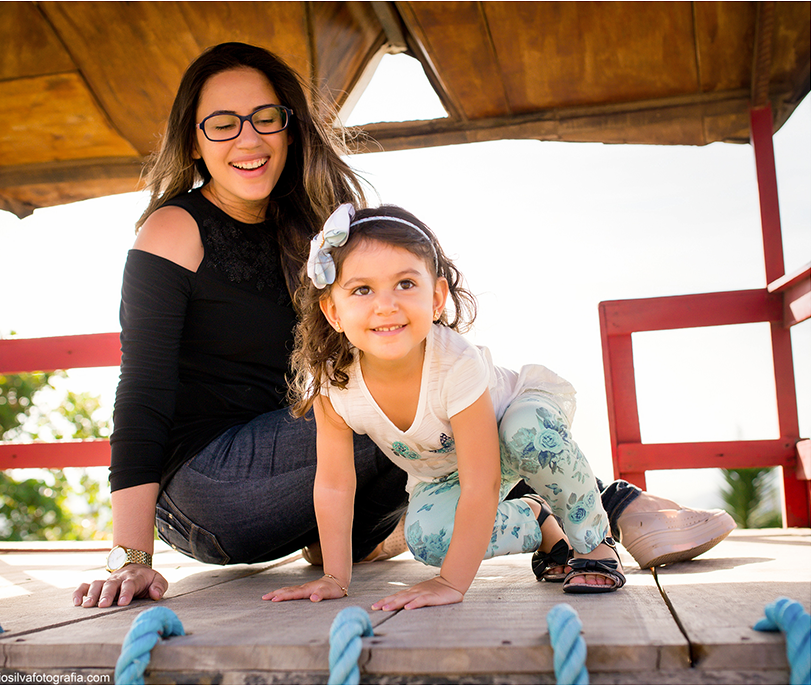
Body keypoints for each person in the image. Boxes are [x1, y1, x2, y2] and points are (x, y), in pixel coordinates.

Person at [73, 42, 734, 610]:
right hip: (210, 489)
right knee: (399, 399)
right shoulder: (174, 230)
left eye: (265, 118)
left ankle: (546, 523)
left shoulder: (322, 228)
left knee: (416, 379)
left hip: (311, 479)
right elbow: (144, 393)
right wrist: (130, 554)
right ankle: (611, 505)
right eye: (222, 124)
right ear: (193, 140)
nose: (248, 139)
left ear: (290, 128)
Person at [264, 204, 628, 610]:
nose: (386, 305)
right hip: (448, 471)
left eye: (405, 283)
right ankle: (539, 524)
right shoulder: (335, 384)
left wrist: (450, 583)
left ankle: (594, 543)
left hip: (518, 419)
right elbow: (334, 484)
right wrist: (335, 576)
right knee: (428, 538)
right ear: (333, 311)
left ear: (436, 298)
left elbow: (482, 481)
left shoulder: (455, 364)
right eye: (362, 290)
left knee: (524, 431)